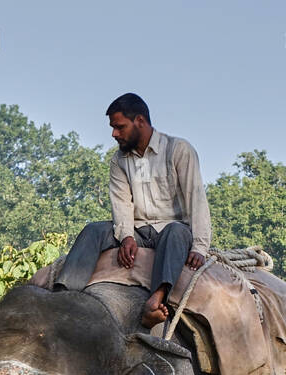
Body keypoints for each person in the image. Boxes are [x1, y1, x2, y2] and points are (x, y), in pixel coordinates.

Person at [55, 93, 211, 326]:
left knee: (177, 232)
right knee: (94, 230)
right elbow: (121, 203)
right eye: (113, 128)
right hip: (138, 230)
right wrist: (126, 235)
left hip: (172, 230)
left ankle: (156, 300)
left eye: (119, 127)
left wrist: (200, 246)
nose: (114, 134)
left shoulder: (178, 149)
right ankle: (63, 295)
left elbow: (195, 198)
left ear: (140, 121)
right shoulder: (119, 160)